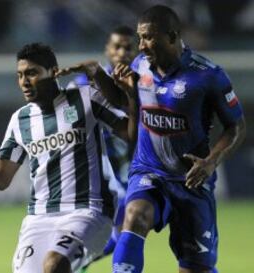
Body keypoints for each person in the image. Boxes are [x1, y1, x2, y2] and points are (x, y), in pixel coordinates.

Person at [58, 5, 246, 273]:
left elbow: (236, 126)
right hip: (149, 171)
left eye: (148, 37)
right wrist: (97, 73)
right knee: (133, 216)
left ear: (172, 36)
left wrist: (211, 162)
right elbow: (124, 103)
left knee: (196, 267)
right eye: (140, 37)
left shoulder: (208, 75)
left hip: (191, 181)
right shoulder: (140, 66)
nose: (142, 46)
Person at [0, 43, 129, 273]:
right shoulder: (20, 120)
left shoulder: (85, 98)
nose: (24, 81)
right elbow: (1, 178)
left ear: (53, 72)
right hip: (38, 218)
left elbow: (131, 134)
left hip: (88, 211)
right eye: (20, 75)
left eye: (32, 73)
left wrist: (131, 93)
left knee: (55, 264)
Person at [67, 25, 137, 272]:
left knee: (123, 236)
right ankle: (73, 262)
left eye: (129, 47)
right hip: (98, 179)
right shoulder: (83, 85)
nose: (122, 52)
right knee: (121, 232)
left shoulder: (143, 85)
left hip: (133, 175)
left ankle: (75, 262)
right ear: (107, 49)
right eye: (117, 46)